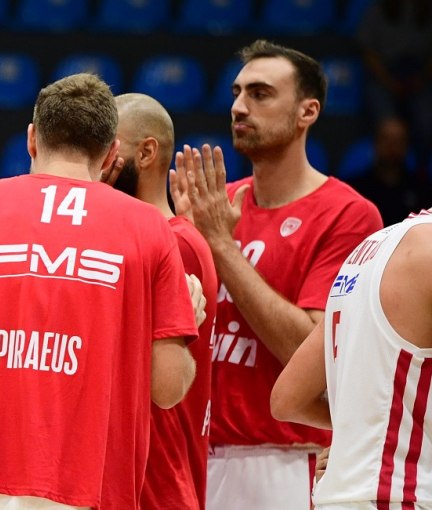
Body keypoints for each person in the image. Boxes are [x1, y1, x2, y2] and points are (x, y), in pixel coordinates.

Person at [0, 73, 199, 510]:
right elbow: (168, 388)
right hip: (89, 486)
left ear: (32, 139)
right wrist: (187, 321)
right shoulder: (149, 228)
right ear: (111, 151)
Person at [170, 39, 384, 509]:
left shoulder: (347, 215)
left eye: (260, 93)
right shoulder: (215, 204)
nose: (239, 107)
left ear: (308, 111)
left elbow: (310, 353)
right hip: (196, 455)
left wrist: (219, 246)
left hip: (286, 461)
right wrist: (184, 244)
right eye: (236, 93)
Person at [271, 207, 432, 508]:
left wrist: (356, 434)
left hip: (339, 495)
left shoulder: (369, 248)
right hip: (402, 495)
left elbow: (288, 399)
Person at [111, 92, 218, 510]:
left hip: (158, 487)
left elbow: (163, 385)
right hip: (133, 483)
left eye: (110, 146)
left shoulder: (176, 244)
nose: (98, 162)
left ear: (146, 152)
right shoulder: (161, 238)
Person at [356, 0, 432, 166]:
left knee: (426, 122)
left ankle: (420, 170)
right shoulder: (377, 10)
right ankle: (382, 174)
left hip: (419, 77)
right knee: (388, 127)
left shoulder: (428, 11)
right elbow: (367, 52)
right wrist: (388, 81)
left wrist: (422, 78)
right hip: (383, 75)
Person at [346, 116, 429, 226]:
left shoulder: (422, 189)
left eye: (398, 141)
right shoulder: (356, 189)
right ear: (375, 143)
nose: (392, 146)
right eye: (386, 139)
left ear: (407, 145)